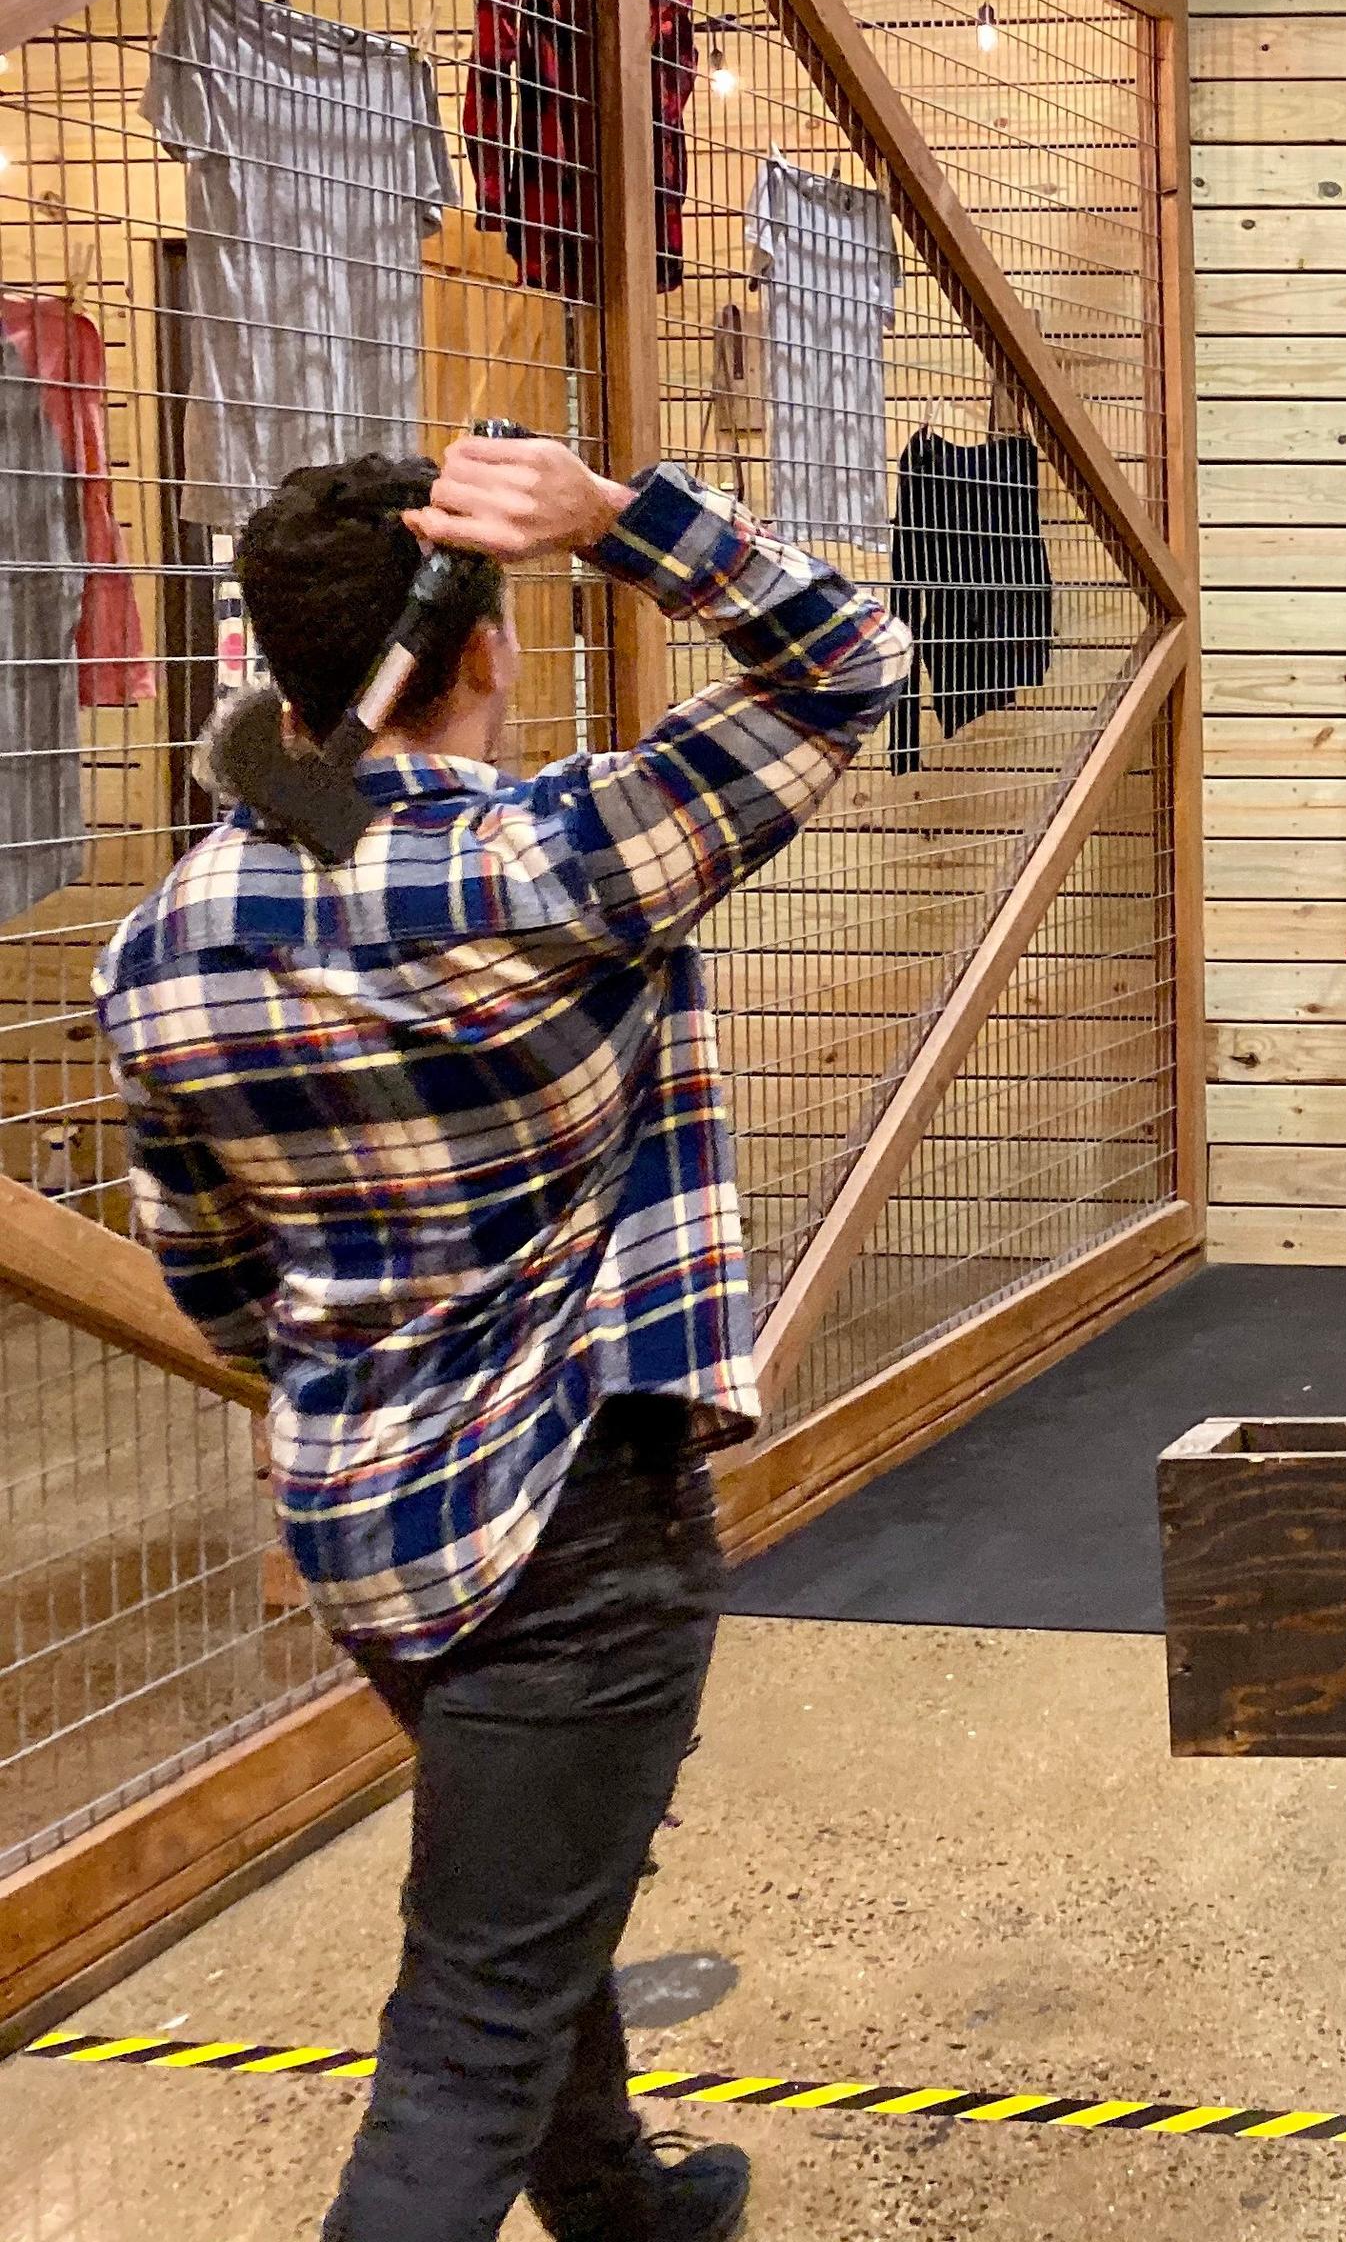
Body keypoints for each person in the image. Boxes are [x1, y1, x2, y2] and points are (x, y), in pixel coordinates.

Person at [100, 433, 913, 2242]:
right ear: (483, 651)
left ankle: (622, 2203)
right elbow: (851, 657)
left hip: (356, 1514)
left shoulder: (165, 940)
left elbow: (209, 1267)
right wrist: (620, 521)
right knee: (468, 2024)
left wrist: (331, 1374)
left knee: (525, 1891)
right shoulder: (559, 860)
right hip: (568, 1526)